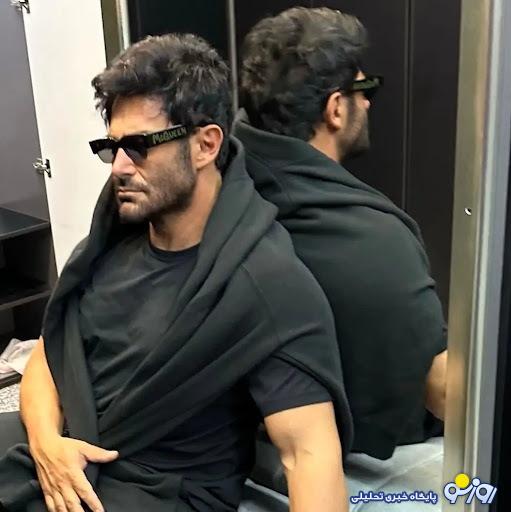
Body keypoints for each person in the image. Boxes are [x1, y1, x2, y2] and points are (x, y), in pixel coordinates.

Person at [0, 34, 353, 512]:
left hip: (153, 492)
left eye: (138, 146)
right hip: (59, 453)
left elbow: (308, 455)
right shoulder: (108, 246)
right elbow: (49, 355)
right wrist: (46, 445)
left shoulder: (265, 286)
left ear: (206, 144)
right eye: (112, 147)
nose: (119, 167)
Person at [234, 7, 448, 465]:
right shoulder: (377, 244)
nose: (367, 104)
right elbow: (444, 394)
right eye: (363, 91)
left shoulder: (218, 185)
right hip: (357, 460)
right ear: (335, 108)